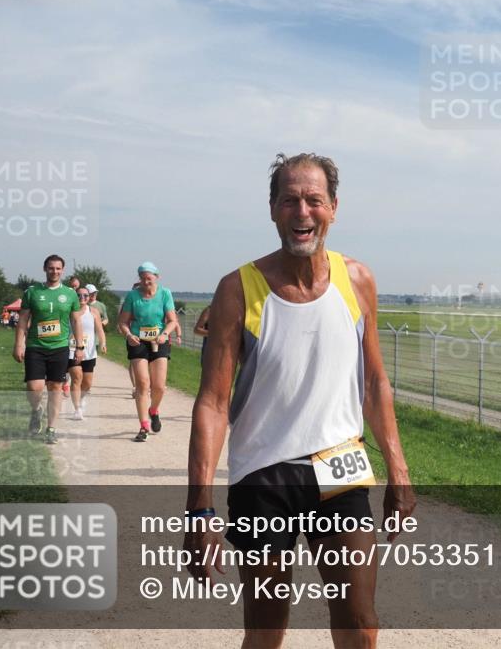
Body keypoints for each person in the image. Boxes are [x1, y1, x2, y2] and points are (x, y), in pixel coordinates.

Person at [184, 153, 415, 649]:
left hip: (341, 467)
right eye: (289, 200)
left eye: (314, 200)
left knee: (360, 621)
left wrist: (398, 469)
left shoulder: (357, 280)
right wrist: (199, 510)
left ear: (333, 207)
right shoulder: (236, 290)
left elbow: (375, 383)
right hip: (264, 477)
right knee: (266, 632)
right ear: (272, 209)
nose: (302, 212)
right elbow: (213, 403)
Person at [12, 254, 85, 445]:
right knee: (34, 387)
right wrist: (19, 344)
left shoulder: (70, 294)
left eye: (58, 268)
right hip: (36, 346)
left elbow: (76, 320)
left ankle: (51, 428)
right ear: (45, 269)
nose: (55, 271)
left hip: (59, 348)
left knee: (55, 388)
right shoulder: (33, 292)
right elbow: (23, 320)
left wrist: (79, 346)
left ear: (63, 270)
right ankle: (36, 411)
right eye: (51, 268)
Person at [118, 262, 178, 442]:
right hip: (138, 342)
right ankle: (143, 426)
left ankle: (153, 410)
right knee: (143, 384)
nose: (146, 281)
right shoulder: (132, 296)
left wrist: (165, 334)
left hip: (159, 341)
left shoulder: (165, 294)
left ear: (156, 277)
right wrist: (128, 335)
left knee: (159, 386)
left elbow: (172, 321)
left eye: (149, 278)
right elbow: (122, 322)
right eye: (143, 278)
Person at [67, 287, 107, 420]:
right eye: (79, 295)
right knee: (77, 378)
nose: (82, 298)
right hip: (72, 349)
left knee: (87, 384)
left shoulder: (94, 312)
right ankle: (77, 409)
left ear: (89, 297)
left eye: (85, 295)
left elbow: (100, 330)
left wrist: (103, 343)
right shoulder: (69, 311)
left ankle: (81, 398)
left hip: (89, 352)